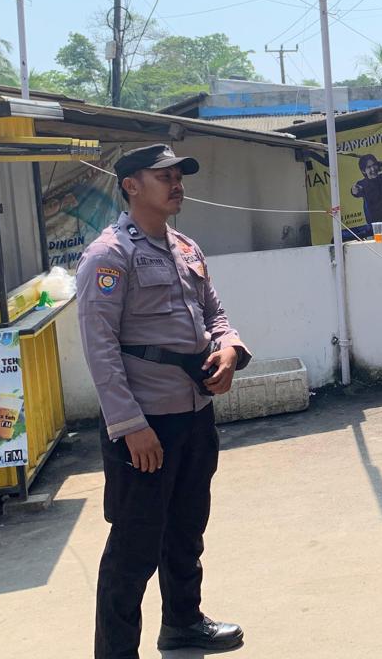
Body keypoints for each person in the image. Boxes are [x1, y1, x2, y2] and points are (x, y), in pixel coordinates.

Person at [76, 144, 250, 659]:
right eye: (164, 176)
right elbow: (100, 348)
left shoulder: (186, 248)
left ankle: (183, 623)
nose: (177, 184)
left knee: (186, 531)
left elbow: (216, 315)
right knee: (134, 547)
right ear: (131, 185)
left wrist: (229, 349)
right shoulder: (109, 255)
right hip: (145, 425)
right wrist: (130, 425)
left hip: (194, 415)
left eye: (179, 176)